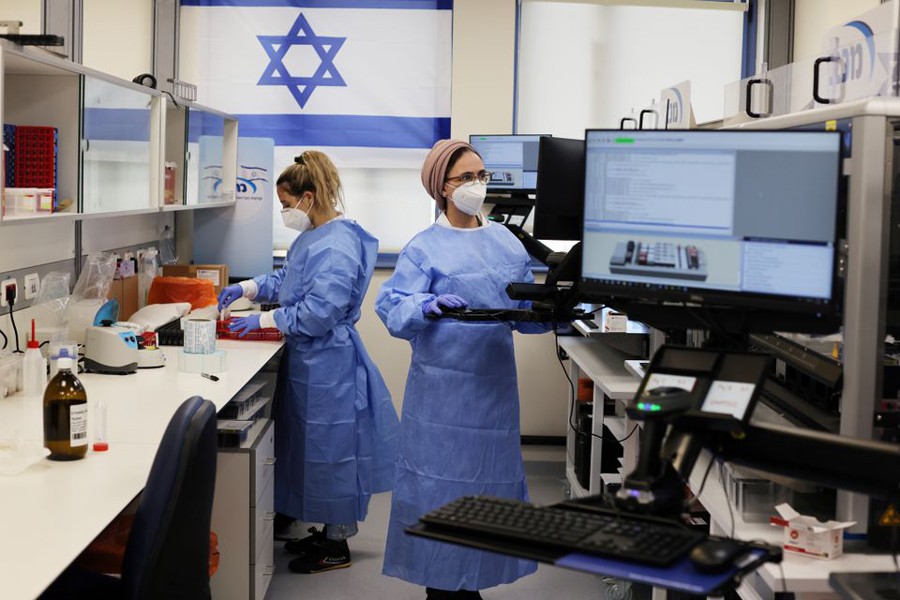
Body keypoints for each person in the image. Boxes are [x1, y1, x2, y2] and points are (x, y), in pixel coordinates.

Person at [375, 139, 551, 599]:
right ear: (442, 187)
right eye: (465, 178)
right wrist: (425, 304)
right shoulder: (423, 248)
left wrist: (560, 308)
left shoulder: (506, 242)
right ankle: (444, 587)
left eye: (481, 175)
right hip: (440, 400)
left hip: (492, 396)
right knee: (439, 496)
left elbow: (522, 314)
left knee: (486, 497)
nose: (476, 185)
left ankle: (470, 585)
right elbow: (390, 306)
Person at [218, 151, 399, 575]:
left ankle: (337, 542)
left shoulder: (338, 243)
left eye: (285, 205)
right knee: (310, 449)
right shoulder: (313, 235)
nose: (284, 213)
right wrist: (248, 288)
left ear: (308, 197)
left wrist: (265, 318)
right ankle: (326, 528)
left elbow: (320, 311)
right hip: (311, 362)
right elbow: (288, 280)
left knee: (332, 451)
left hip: (330, 365)